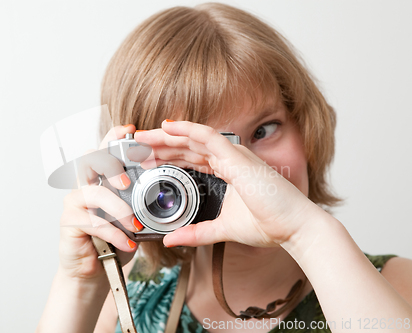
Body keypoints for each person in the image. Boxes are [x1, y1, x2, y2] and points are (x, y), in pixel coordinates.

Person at [36, 3, 412, 333]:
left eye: (263, 130)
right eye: (197, 149)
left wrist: (307, 235)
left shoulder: (397, 285)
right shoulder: (124, 300)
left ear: (306, 125)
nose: (243, 168)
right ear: (138, 170)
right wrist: (80, 284)